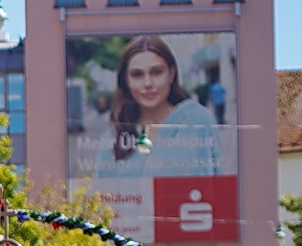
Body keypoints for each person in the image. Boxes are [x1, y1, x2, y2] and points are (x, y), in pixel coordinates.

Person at [95, 35, 223, 178]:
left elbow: (216, 184)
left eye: (156, 72)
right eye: (137, 75)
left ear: (171, 74)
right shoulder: (114, 136)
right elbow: (102, 194)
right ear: (126, 81)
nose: (148, 83)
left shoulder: (197, 119)